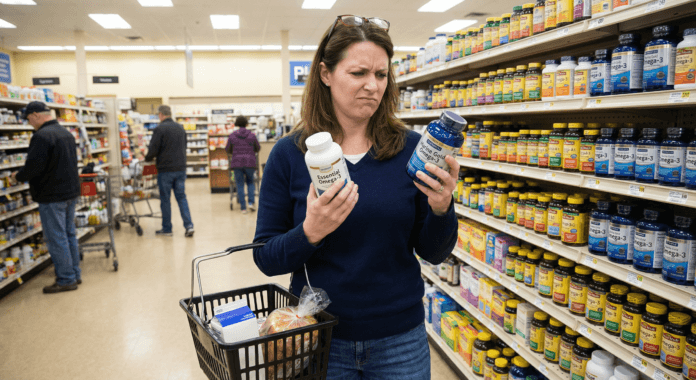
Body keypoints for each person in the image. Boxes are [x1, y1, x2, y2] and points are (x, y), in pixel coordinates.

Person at [253, 16, 459, 379]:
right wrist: (311, 231)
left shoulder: (413, 150)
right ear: (325, 74)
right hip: (317, 338)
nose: (372, 86)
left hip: (400, 340)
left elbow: (434, 252)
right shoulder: (289, 154)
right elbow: (266, 256)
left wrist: (442, 209)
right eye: (358, 73)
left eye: (381, 75)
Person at [15, 101, 81, 294]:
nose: (29, 123)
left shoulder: (41, 136)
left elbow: (34, 167)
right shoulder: (65, 133)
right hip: (70, 193)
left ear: (35, 115)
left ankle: (66, 279)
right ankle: (74, 273)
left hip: (52, 196)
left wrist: (17, 176)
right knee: (69, 234)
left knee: (56, 238)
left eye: (29, 119)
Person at [145, 105, 194, 237]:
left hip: (165, 170)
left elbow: (153, 150)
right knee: (181, 197)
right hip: (180, 169)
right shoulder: (180, 128)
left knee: (165, 199)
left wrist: (147, 158)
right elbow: (185, 146)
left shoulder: (159, 129)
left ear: (161, 114)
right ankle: (189, 226)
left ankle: (167, 229)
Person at [225, 116, 260, 214]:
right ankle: (251, 203)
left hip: (237, 163)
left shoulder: (232, 135)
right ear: (246, 124)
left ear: (236, 124)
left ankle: (243, 208)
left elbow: (227, 149)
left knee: (239, 184)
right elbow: (258, 148)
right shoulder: (252, 135)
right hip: (250, 163)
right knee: (250, 182)